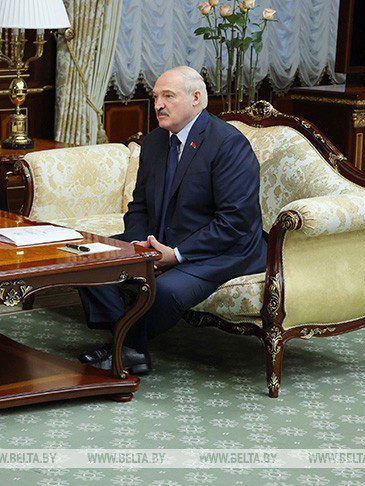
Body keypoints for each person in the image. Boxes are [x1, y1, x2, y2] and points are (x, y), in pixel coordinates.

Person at [77, 66, 267, 374]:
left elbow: (235, 222)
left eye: (168, 96)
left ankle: (124, 348)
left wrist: (176, 255)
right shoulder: (155, 141)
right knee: (88, 258)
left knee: (166, 290)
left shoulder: (228, 144)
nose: (158, 105)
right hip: (161, 241)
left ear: (196, 98)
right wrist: (139, 245)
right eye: (155, 97)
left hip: (223, 250)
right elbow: (139, 206)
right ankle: (127, 345)